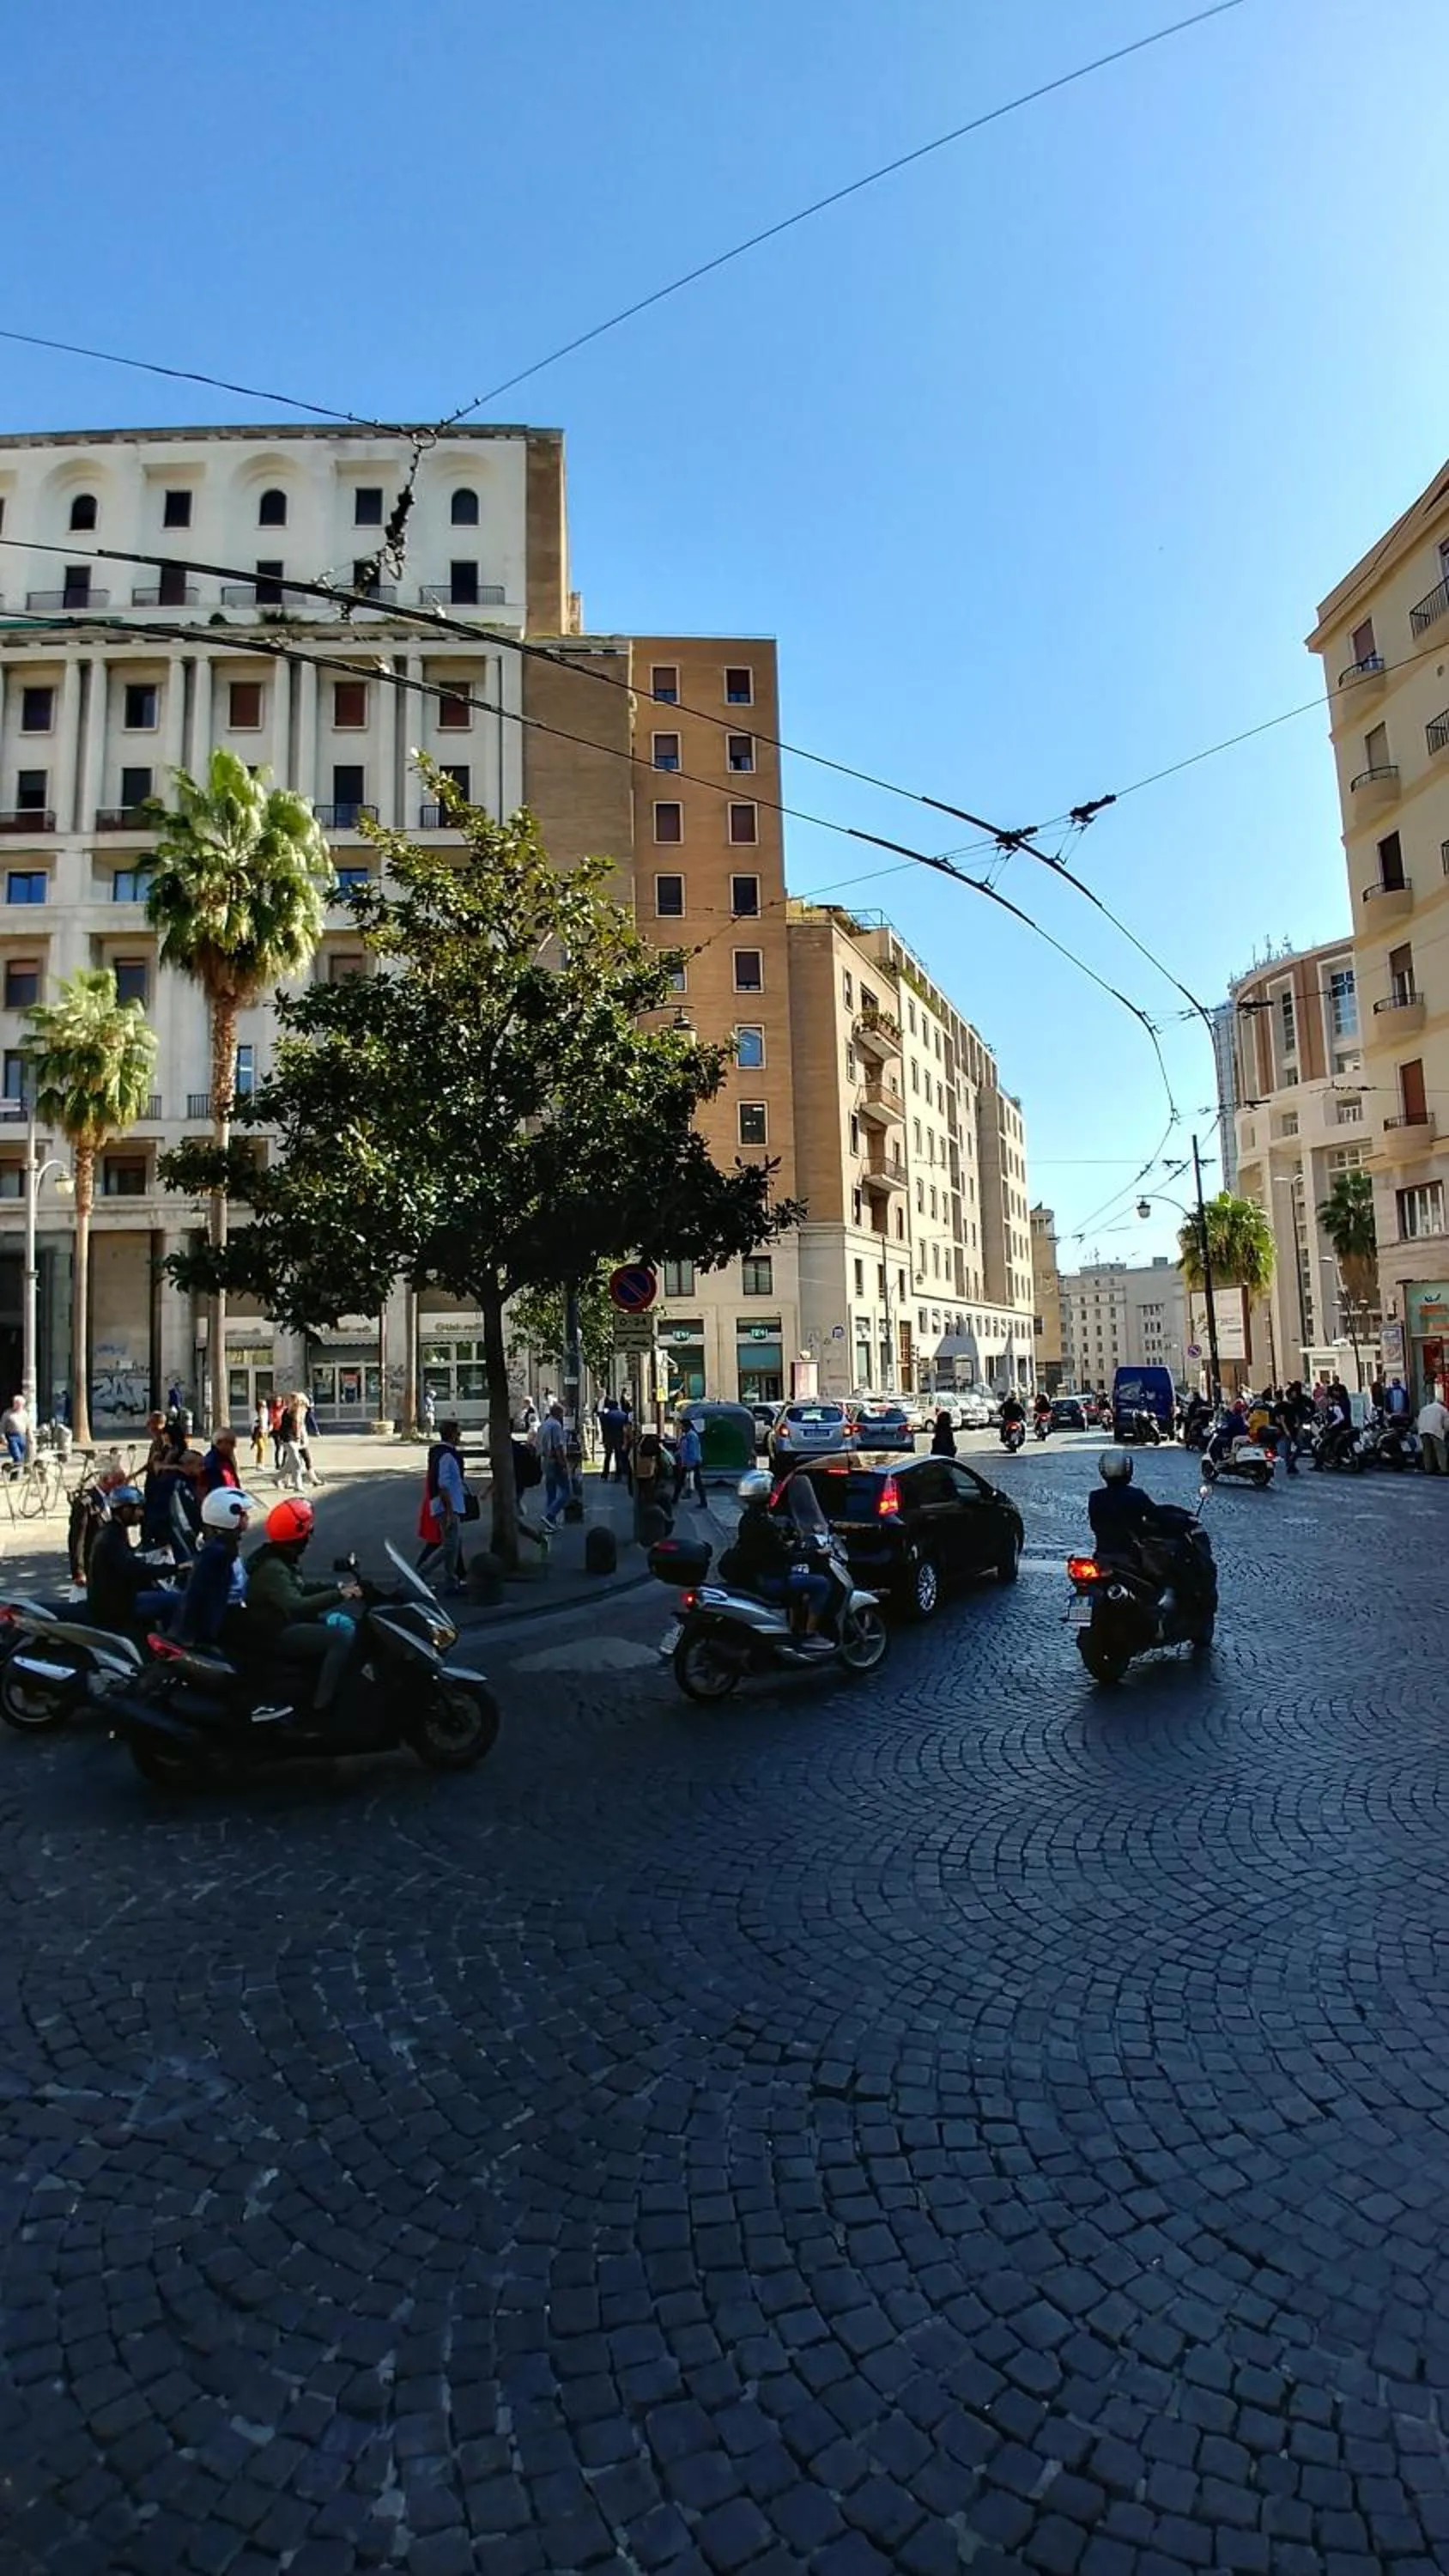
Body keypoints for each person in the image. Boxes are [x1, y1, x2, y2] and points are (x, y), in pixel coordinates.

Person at [246, 1498, 361, 1714]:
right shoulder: (273, 1568)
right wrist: (340, 1595)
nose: (309, 1538)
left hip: (284, 1621)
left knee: (346, 1624)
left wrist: (338, 1587)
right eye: (308, 1532)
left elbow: (300, 1588)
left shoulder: (279, 1557)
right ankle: (323, 1703)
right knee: (340, 1638)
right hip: (277, 1630)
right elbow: (297, 1605)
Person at [720, 1470, 833, 1652]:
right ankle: (809, 1634)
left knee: (799, 1581)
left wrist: (788, 1543)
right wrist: (816, 1553)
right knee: (821, 1584)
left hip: (759, 1573)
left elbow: (769, 1547)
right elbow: (783, 1556)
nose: (774, 1492)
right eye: (772, 1489)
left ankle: (794, 1626)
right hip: (769, 1579)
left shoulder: (750, 1518)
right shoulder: (764, 1524)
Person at [1087, 1449, 1210, 1617]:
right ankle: (1160, 1613)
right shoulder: (1135, 1495)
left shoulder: (1095, 1497)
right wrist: (1184, 1522)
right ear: (1128, 1469)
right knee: (1164, 1576)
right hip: (1131, 1557)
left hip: (1103, 1555)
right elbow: (1158, 1517)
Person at [86, 1484, 178, 1636]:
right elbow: (133, 1568)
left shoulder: (113, 1531)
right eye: (138, 1509)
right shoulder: (112, 1536)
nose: (141, 1514)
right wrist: (175, 1569)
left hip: (116, 1600)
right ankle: (172, 1644)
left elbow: (129, 1563)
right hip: (117, 1606)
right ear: (126, 1510)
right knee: (176, 1602)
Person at [175, 1485, 258, 1649]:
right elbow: (197, 1594)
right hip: (222, 1624)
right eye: (243, 1514)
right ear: (228, 1516)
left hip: (224, 1618)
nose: (247, 1518)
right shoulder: (218, 1553)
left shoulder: (223, 1547)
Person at [417, 1417, 470, 1596]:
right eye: (458, 1434)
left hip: (446, 1504)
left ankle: (451, 1580)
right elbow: (443, 1484)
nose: (460, 1437)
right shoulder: (447, 1456)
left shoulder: (439, 1453)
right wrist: (449, 1510)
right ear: (453, 1435)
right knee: (449, 1545)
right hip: (447, 1505)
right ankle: (421, 1573)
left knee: (452, 1544)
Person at [538, 1399, 571, 1526]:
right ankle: (550, 1516)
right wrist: (564, 1464)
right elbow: (558, 1447)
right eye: (562, 1414)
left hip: (545, 1460)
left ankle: (550, 1521)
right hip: (555, 1461)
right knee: (566, 1492)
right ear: (559, 1414)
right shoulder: (556, 1426)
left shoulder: (544, 1425)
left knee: (551, 1491)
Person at [201, 1425, 242, 1496]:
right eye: (231, 1443)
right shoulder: (212, 1462)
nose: (234, 1446)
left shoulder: (225, 1458)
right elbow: (217, 1488)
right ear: (219, 1442)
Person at [674, 1414, 706, 1506]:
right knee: (683, 1481)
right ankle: (675, 1498)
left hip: (691, 1462)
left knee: (695, 1482)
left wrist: (690, 1463)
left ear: (686, 1426)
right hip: (688, 1462)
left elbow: (693, 1450)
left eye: (682, 1426)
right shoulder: (689, 1435)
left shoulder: (691, 1436)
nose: (681, 1428)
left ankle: (703, 1501)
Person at [1417, 1389, 1449, 1476]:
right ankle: (1443, 1469)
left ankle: (1428, 1469)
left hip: (1423, 1430)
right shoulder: (1443, 1409)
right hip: (1435, 1430)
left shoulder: (1425, 1408)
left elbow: (1419, 1419)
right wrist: (1446, 1432)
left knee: (1427, 1451)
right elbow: (1447, 1424)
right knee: (1440, 1451)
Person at [599, 1392, 626, 1483]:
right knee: (618, 1457)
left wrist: (604, 1439)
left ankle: (605, 1474)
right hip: (619, 1437)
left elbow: (604, 1427)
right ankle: (618, 1475)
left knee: (608, 1456)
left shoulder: (606, 1415)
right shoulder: (623, 1415)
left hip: (609, 1437)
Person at [1, 1394, 28, 1467]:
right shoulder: (7, 1413)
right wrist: (3, 1438)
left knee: (21, 1458)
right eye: (16, 1403)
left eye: (20, 1404)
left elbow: (28, 1426)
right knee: (17, 1456)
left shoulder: (24, 1413)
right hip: (12, 1437)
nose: (18, 1405)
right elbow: (2, 1427)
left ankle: (15, 1472)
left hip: (22, 1437)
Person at [268, 1391, 284, 1471]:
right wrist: (270, 1427)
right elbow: (271, 1420)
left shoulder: (284, 1409)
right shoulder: (272, 1410)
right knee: (278, 1447)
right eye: (277, 1401)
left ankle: (284, 1463)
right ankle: (277, 1464)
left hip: (283, 1430)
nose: (278, 1402)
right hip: (276, 1430)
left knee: (286, 1447)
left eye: (280, 1401)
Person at [250, 1403, 267, 1472]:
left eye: (264, 1406)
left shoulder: (265, 1412)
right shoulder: (255, 1414)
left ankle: (261, 1463)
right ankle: (259, 1464)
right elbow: (254, 1424)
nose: (263, 1408)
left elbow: (266, 1422)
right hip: (258, 1432)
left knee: (262, 1449)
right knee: (261, 1448)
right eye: (262, 1406)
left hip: (265, 1432)